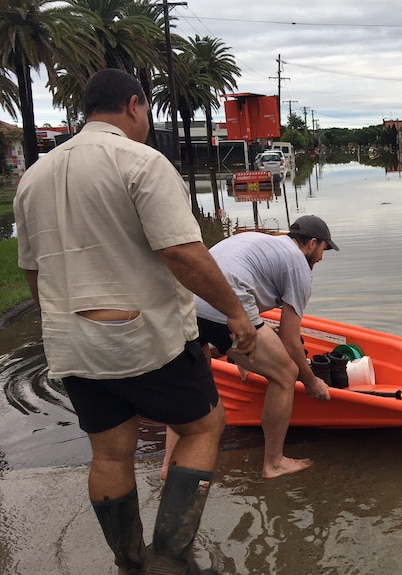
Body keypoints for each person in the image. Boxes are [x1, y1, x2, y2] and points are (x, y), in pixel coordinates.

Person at [13, 68, 257, 575]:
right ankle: (170, 555)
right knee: (203, 426)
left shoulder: (33, 176)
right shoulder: (141, 161)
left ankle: (129, 563)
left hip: (72, 343)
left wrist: (61, 324)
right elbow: (183, 253)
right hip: (147, 339)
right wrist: (236, 313)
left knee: (110, 455)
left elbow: (35, 275)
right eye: (147, 111)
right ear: (134, 106)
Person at [161, 215, 337, 480]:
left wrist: (240, 357)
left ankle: (168, 466)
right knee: (285, 374)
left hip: (186, 304)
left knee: (191, 384)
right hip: (225, 306)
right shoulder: (299, 265)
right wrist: (310, 381)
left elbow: (232, 277)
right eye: (324, 249)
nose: (322, 258)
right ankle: (274, 463)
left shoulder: (263, 242)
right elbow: (290, 338)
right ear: (312, 243)